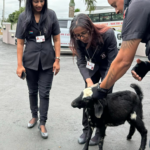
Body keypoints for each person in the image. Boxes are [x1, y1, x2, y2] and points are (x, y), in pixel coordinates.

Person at [85, 0, 150, 130]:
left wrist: (101, 90)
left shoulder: (137, 5)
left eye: (114, 5)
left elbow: (123, 61)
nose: (116, 11)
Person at [69, 14, 118, 145]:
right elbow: (81, 62)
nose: (81, 38)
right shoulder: (78, 39)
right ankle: (86, 130)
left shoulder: (107, 34)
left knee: (103, 100)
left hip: (108, 68)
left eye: (83, 34)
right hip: (92, 68)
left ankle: (99, 133)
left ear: (90, 28)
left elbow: (113, 63)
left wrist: (103, 85)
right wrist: (89, 82)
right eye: (77, 35)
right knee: (87, 98)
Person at [16, 0, 60, 139]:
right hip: (30, 62)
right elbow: (20, 42)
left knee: (45, 93)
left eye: (42, 1)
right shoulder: (23, 17)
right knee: (32, 91)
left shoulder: (51, 15)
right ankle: (34, 116)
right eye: (36, 1)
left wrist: (57, 60)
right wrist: (19, 64)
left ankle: (42, 122)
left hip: (48, 61)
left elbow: (57, 39)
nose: (39, 4)